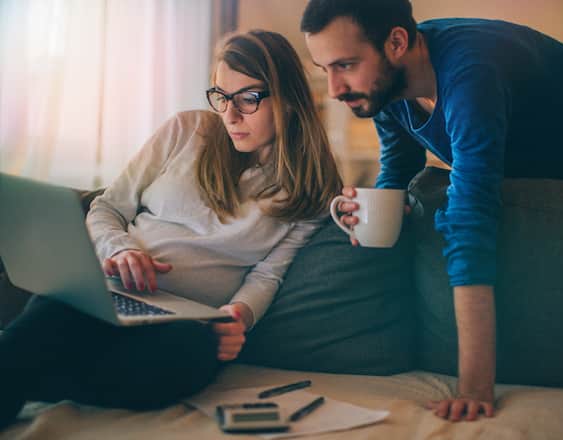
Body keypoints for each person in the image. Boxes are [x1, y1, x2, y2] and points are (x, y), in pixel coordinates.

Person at [301, 0, 563, 423]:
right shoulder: (389, 91)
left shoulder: (471, 72)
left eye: (344, 65)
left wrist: (473, 385)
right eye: (324, 69)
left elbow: (469, 219)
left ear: (396, 42)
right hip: (534, 173)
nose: (334, 89)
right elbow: (398, 169)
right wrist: (370, 217)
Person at [0, 29, 342, 430]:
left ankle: (31, 378)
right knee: (59, 311)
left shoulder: (314, 191)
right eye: (221, 97)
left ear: (288, 96)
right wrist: (120, 250)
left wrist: (239, 316)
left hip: (183, 325)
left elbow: (269, 272)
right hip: (113, 292)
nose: (230, 115)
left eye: (248, 99)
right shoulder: (185, 131)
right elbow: (106, 208)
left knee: (189, 359)